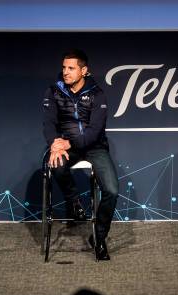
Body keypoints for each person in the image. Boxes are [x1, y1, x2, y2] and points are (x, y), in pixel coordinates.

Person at [42, 49, 118, 261]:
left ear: (84, 71)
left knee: (112, 190)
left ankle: (99, 237)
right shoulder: (54, 91)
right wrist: (54, 143)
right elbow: (48, 124)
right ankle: (74, 201)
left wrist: (69, 142)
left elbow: (94, 132)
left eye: (71, 68)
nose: (65, 72)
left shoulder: (97, 93)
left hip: (95, 147)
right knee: (56, 165)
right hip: (65, 146)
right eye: (64, 67)